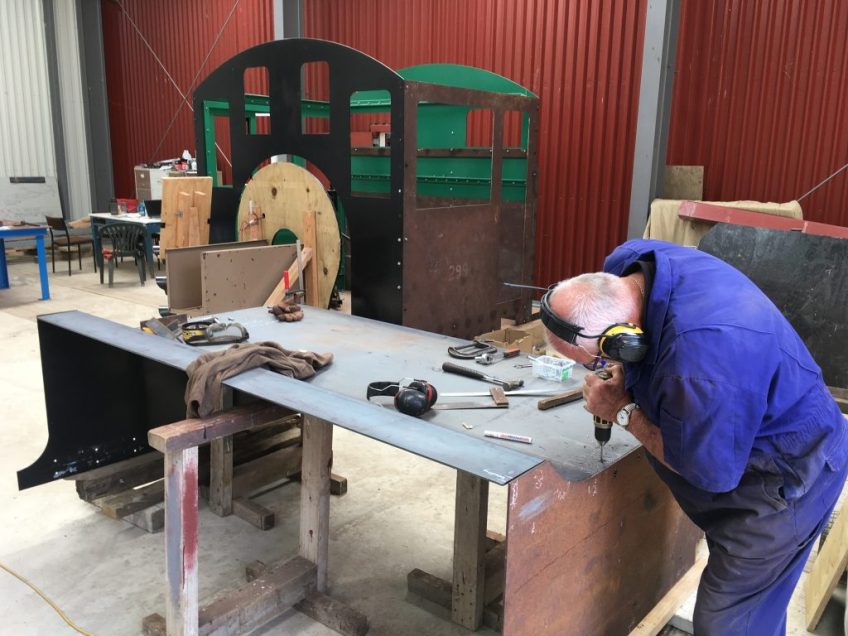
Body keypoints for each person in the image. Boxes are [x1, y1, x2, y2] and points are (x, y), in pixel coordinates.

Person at [541, 238, 848, 636]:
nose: (603, 369)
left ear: (624, 338)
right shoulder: (632, 263)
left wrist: (622, 410)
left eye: (601, 359)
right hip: (766, 408)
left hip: (789, 477)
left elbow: (710, 474)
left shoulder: (700, 369)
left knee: (729, 622)